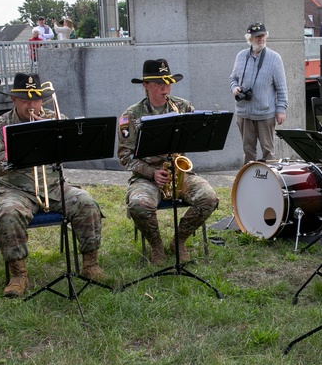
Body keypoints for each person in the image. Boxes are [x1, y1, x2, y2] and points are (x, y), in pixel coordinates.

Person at [0, 73, 108, 297]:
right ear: (14, 100)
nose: (33, 106)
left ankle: (90, 264)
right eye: (26, 101)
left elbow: (75, 147)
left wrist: (55, 133)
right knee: (8, 213)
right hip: (16, 189)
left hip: (53, 185)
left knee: (87, 203)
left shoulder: (54, 118)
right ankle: (18, 275)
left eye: (37, 100)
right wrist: (17, 152)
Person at [119, 59, 220, 265]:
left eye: (168, 82)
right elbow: (124, 157)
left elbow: (198, 136)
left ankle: (179, 240)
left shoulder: (183, 107)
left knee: (209, 198)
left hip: (179, 172)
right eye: (158, 83)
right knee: (139, 205)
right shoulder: (130, 115)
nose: (165, 88)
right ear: (145, 85)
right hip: (147, 177)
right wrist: (151, 172)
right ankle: (156, 245)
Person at [230, 22, 288, 164]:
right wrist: (234, 87)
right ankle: (248, 182)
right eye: (257, 37)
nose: (261, 39)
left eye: (263, 36)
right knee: (248, 151)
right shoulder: (241, 56)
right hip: (244, 113)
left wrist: (281, 110)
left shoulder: (274, 58)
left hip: (265, 114)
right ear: (249, 38)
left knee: (268, 152)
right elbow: (233, 78)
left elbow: (282, 88)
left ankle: (270, 183)